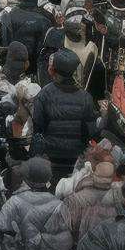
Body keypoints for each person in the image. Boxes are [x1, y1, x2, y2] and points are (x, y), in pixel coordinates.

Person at [31, 49, 100, 183]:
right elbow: (90, 131)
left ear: (53, 70)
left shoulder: (44, 94)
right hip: (75, 158)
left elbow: (38, 127)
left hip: (51, 156)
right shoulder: (86, 97)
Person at [0, 0, 51, 67]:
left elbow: (4, 40)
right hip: (34, 65)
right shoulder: (46, 17)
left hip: (13, 61)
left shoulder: (8, 15)